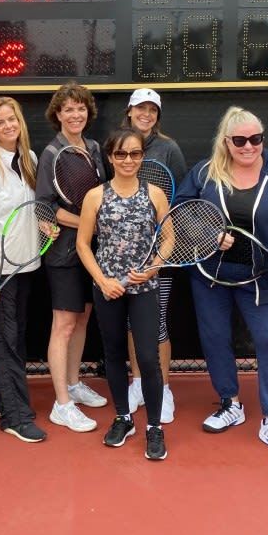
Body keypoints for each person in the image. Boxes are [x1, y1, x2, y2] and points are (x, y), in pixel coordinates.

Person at [175, 106, 268, 461]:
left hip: (263, 278)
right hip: (211, 277)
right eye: (240, 140)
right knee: (215, 339)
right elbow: (180, 212)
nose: (249, 146)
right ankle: (229, 403)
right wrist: (208, 234)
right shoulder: (205, 173)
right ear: (226, 141)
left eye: (256, 139)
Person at [77, 129, 171, 460]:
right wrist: (103, 281)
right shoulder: (95, 196)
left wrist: (155, 267)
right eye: (120, 154)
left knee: (147, 358)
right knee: (114, 355)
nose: (128, 160)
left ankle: (155, 427)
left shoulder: (156, 194)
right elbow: (83, 245)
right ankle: (123, 417)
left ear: (142, 156)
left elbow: (168, 239)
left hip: (145, 288)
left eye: (134, 154)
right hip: (108, 290)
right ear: (110, 157)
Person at [0, 97, 47, 443]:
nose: (8, 125)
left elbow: (32, 209)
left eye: (12, 118)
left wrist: (46, 227)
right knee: (5, 341)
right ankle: (15, 417)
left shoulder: (29, 159)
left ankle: (2, 400)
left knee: (16, 337)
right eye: (1, 122)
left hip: (27, 265)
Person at [35, 82, 109, 432]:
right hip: (64, 252)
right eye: (68, 109)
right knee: (63, 324)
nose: (75, 114)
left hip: (90, 252)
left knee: (82, 319)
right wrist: (87, 226)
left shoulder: (94, 148)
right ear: (58, 115)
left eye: (81, 108)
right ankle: (61, 404)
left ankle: (74, 383)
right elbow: (46, 207)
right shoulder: (51, 153)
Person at [120, 88, 187, 424]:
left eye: (151, 110)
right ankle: (138, 382)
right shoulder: (118, 144)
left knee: (157, 320)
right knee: (133, 322)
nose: (145, 114)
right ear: (129, 111)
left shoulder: (169, 148)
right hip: (125, 252)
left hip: (161, 251)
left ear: (157, 115)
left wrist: (163, 243)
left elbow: (181, 196)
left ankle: (162, 387)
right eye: (139, 108)